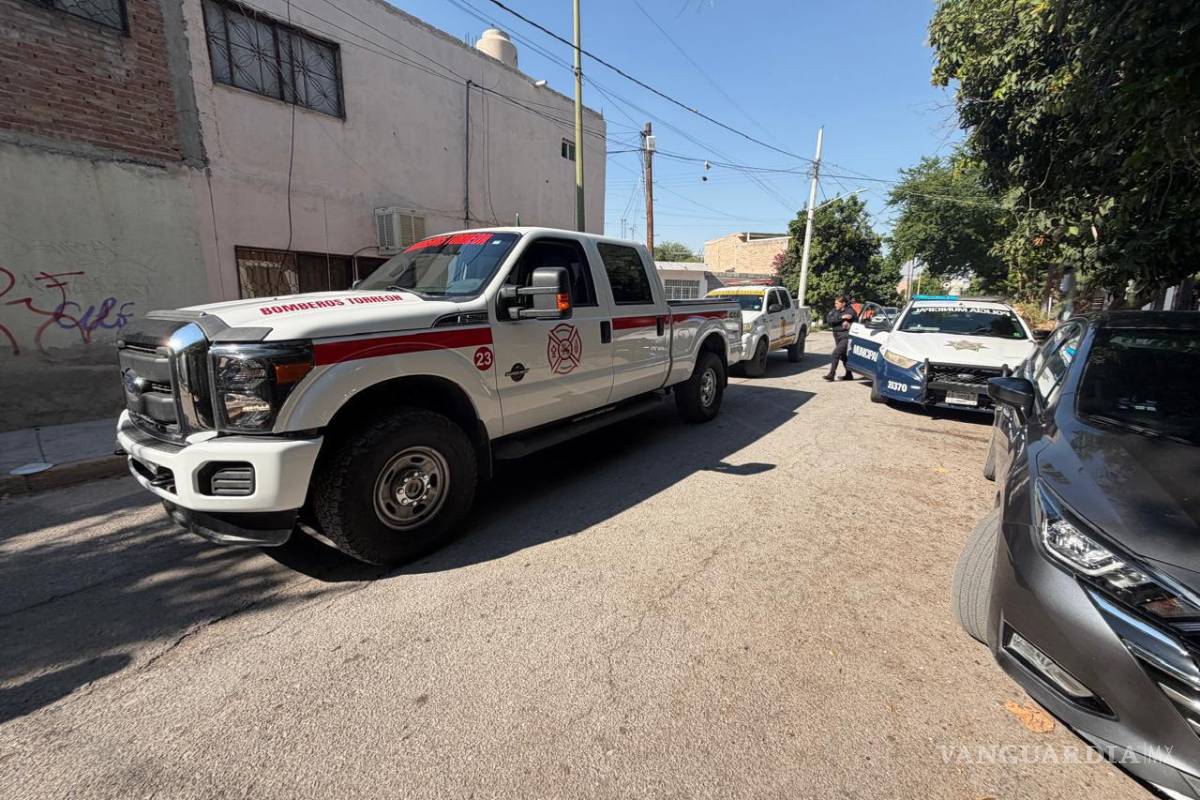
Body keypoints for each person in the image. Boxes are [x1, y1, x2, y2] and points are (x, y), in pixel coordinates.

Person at [824, 295, 858, 381]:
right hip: (836, 335)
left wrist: (845, 320)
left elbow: (852, 317)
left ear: (843, 303)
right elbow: (829, 320)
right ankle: (849, 375)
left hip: (846, 335)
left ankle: (831, 374)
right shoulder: (834, 311)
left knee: (836, 353)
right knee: (842, 356)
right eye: (835, 303)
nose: (835, 305)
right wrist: (841, 318)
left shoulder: (850, 311)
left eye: (837, 303)